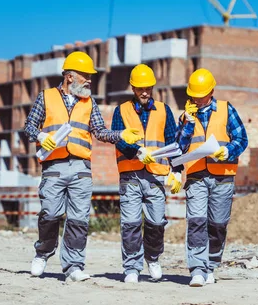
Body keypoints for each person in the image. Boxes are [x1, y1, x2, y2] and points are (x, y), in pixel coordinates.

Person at [23, 51, 143, 282]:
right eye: (85, 75)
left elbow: (100, 132)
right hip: (54, 166)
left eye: (91, 76)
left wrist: (122, 135)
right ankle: (43, 252)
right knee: (50, 214)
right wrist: (40, 136)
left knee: (79, 219)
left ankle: (74, 266)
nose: (90, 79)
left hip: (81, 168)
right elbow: (29, 126)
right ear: (69, 76)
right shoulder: (46, 97)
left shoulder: (90, 103)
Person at [176, 68, 248, 287]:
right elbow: (179, 147)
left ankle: (211, 265)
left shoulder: (227, 110)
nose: (196, 100)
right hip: (196, 175)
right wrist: (187, 123)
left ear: (211, 92)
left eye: (200, 96)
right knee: (197, 221)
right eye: (193, 96)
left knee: (217, 224)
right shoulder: (187, 115)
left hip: (222, 176)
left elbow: (241, 139)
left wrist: (227, 151)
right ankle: (197, 269)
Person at [111, 64, 183, 283]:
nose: (144, 92)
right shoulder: (121, 110)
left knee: (156, 222)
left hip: (155, 176)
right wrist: (137, 152)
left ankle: (152, 258)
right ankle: (132, 267)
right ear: (133, 88)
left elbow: (174, 142)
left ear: (152, 88)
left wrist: (177, 171)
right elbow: (118, 138)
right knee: (131, 223)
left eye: (148, 88)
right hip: (130, 175)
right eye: (140, 88)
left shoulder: (164, 110)